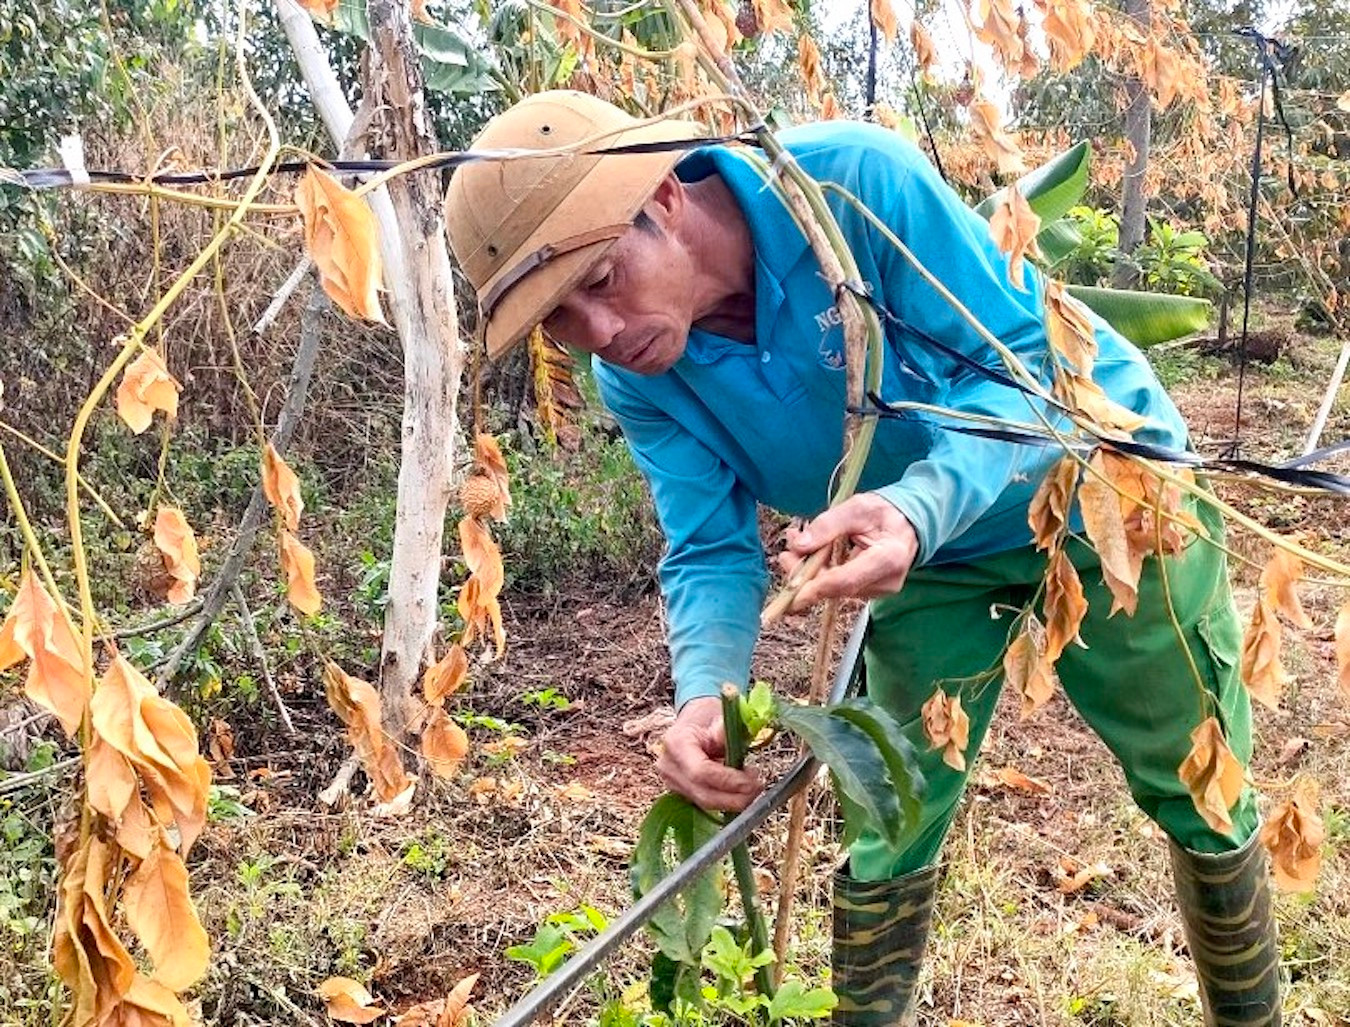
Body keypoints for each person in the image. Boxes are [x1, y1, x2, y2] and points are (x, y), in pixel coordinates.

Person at [445, 90, 1280, 1026]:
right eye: (558, 318)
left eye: (600, 278)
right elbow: (710, 546)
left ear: (668, 197)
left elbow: (1028, 372)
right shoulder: (641, 377)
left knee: (1195, 781)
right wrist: (703, 692)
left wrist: (917, 508)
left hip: (1109, 498)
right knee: (892, 813)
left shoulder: (849, 187)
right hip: (931, 556)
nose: (598, 334)